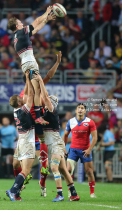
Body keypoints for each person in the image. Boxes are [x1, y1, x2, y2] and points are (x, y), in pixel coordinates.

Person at [12, 51, 62, 196]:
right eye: (33, 78)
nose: (36, 80)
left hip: (40, 127)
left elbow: (48, 76)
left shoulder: (39, 89)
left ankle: (42, 185)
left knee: (44, 161)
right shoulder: (25, 94)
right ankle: (20, 183)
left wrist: (57, 62)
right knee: (16, 164)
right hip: (28, 130)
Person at [34, 74, 80, 202]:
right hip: (54, 143)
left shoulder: (51, 108)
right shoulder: (46, 112)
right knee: (64, 171)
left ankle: (60, 194)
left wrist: (40, 82)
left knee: (54, 168)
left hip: (56, 144)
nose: (45, 100)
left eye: (47, 99)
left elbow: (45, 96)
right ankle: (74, 193)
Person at [8, 7, 56, 125]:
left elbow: (36, 29)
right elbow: (36, 22)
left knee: (37, 89)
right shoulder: (21, 32)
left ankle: (38, 116)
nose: (22, 23)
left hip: (26, 63)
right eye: (20, 22)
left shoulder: (19, 36)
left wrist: (47, 20)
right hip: (29, 62)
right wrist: (46, 13)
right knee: (37, 89)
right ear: (16, 26)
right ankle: (38, 116)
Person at [7, 71, 34, 201]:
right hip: (27, 141)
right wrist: (28, 80)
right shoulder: (23, 110)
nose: (22, 97)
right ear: (19, 103)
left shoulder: (15, 110)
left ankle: (16, 194)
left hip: (21, 140)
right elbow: (30, 95)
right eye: (20, 98)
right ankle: (13, 191)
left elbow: (25, 94)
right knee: (26, 170)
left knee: (19, 166)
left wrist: (27, 79)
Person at [64, 103, 98, 198]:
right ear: (76, 110)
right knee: (69, 170)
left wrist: (89, 149)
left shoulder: (90, 122)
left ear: (85, 111)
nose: (80, 110)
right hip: (73, 150)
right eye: (78, 108)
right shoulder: (70, 122)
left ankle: (92, 192)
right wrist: (63, 147)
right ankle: (71, 191)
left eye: (82, 108)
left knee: (89, 171)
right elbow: (65, 135)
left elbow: (95, 137)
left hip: (85, 150)